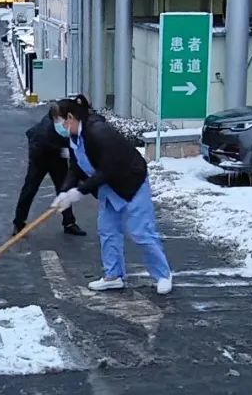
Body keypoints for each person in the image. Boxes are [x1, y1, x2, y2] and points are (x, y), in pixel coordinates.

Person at [51, 95, 173, 294]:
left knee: (141, 231)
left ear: (70, 117)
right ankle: (113, 275)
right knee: (107, 230)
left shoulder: (98, 132)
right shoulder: (74, 138)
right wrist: (64, 192)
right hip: (107, 186)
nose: (59, 127)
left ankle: (163, 274)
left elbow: (108, 169)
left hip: (130, 183)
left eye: (60, 122)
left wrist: (79, 191)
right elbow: (74, 168)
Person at [13, 106, 87, 237]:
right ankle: (19, 223)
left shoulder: (65, 124)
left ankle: (69, 222)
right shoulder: (44, 131)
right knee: (30, 188)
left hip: (57, 155)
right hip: (39, 156)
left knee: (64, 188)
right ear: (55, 119)